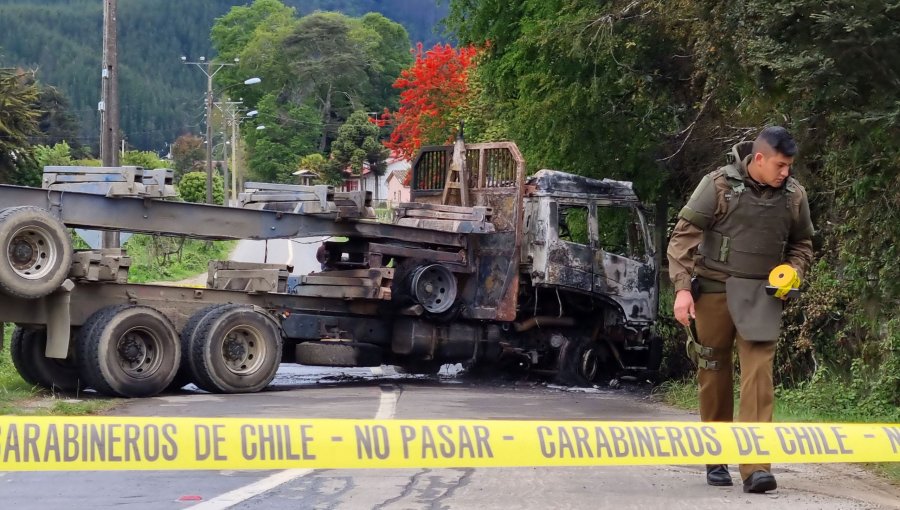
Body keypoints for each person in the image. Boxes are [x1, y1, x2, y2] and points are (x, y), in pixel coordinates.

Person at [666, 126, 814, 493]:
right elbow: (683, 237)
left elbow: (803, 244)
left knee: (759, 376)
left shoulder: (794, 196)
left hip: (762, 297)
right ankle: (716, 456)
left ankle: (756, 467)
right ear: (759, 159)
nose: (786, 173)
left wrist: (793, 271)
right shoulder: (717, 185)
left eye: (790, 167)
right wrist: (683, 290)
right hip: (714, 292)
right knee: (713, 372)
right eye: (780, 165)